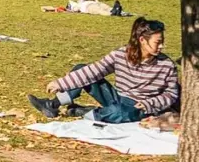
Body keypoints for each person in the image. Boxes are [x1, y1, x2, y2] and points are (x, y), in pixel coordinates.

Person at [28, 18, 178, 122]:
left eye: (162, 42)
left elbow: (171, 94)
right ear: (142, 40)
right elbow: (95, 70)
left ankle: (87, 112)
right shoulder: (121, 54)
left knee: (120, 112)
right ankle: (52, 105)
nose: (161, 46)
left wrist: (150, 104)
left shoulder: (167, 65)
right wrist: (61, 83)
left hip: (138, 106)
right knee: (81, 69)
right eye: (158, 42)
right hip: (116, 96)